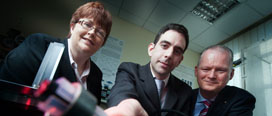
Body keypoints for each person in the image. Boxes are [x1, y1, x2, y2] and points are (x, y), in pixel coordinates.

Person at [0, 1, 112, 104]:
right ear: (72, 27)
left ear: (102, 43)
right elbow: (7, 93)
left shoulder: (96, 74)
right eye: (87, 24)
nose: (92, 32)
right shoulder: (40, 45)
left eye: (100, 32)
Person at [106, 23, 193, 116]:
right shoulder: (129, 70)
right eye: (164, 46)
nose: (169, 55)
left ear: (179, 61)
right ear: (151, 49)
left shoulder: (185, 91)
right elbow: (121, 93)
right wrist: (127, 107)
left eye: (177, 51)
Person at [191, 45, 256, 116]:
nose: (211, 76)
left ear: (231, 74)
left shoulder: (242, 99)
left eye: (220, 70)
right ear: (196, 71)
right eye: (206, 69)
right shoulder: (183, 95)